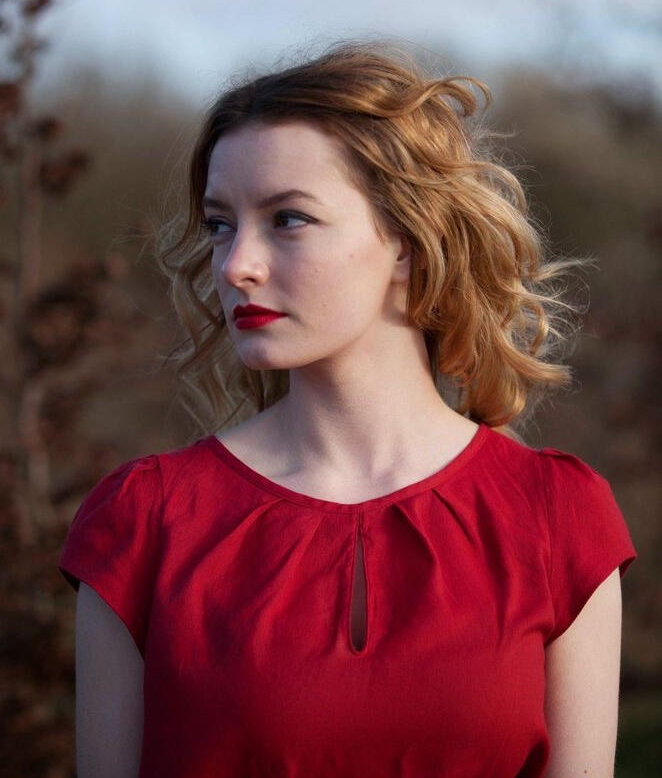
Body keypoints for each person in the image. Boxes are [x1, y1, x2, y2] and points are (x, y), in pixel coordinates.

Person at [58, 39, 637, 777]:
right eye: (220, 224)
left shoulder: (557, 517)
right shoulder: (144, 523)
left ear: (406, 240)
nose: (236, 265)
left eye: (288, 219)